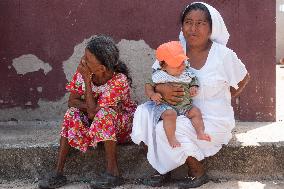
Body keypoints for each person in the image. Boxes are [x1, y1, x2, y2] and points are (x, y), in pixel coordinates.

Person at [131, 2, 250, 188]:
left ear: (211, 27)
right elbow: (154, 79)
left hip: (210, 118)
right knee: (143, 114)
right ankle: (163, 167)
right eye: (188, 22)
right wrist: (162, 90)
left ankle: (197, 171)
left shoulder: (223, 55)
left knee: (167, 128)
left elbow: (244, 79)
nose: (193, 28)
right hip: (176, 110)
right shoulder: (173, 51)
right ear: (182, 25)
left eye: (201, 23)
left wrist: (222, 98)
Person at [39, 35, 137, 189]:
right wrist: (93, 106)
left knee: (104, 115)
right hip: (96, 124)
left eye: (87, 59)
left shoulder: (119, 81)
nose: (83, 61)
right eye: (84, 56)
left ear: (102, 68)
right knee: (71, 113)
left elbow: (93, 113)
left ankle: (113, 173)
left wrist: (87, 82)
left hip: (121, 128)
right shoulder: (85, 71)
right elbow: (72, 102)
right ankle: (58, 173)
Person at [145, 41, 211, 148]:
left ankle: (200, 133)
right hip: (166, 107)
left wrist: (194, 87)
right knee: (170, 115)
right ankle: (172, 139)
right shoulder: (159, 75)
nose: (181, 67)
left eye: (182, 62)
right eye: (176, 65)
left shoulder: (186, 73)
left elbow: (193, 80)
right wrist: (152, 94)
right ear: (163, 66)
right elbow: (148, 86)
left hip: (185, 106)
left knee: (196, 111)